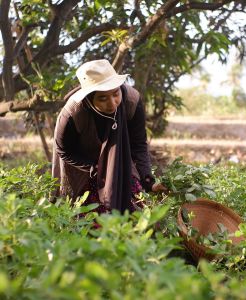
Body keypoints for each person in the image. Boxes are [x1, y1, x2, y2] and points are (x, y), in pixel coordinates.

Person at [52, 59, 166, 214]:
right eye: (102, 98)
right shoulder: (73, 113)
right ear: (90, 98)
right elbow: (63, 150)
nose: (112, 104)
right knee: (91, 220)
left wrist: (149, 181)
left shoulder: (131, 100)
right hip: (83, 166)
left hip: (119, 161)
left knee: (135, 216)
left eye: (115, 94)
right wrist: (95, 168)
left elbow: (138, 144)